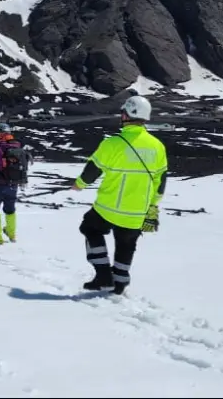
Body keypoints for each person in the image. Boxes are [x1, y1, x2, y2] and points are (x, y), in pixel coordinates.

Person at [71, 95, 167, 295]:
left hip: (109, 206)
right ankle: (120, 282)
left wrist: (79, 185)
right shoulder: (157, 146)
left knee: (89, 228)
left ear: (128, 114)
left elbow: (93, 169)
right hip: (139, 209)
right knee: (127, 243)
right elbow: (161, 180)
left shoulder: (113, 143)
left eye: (123, 112)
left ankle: (103, 275)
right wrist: (153, 205)